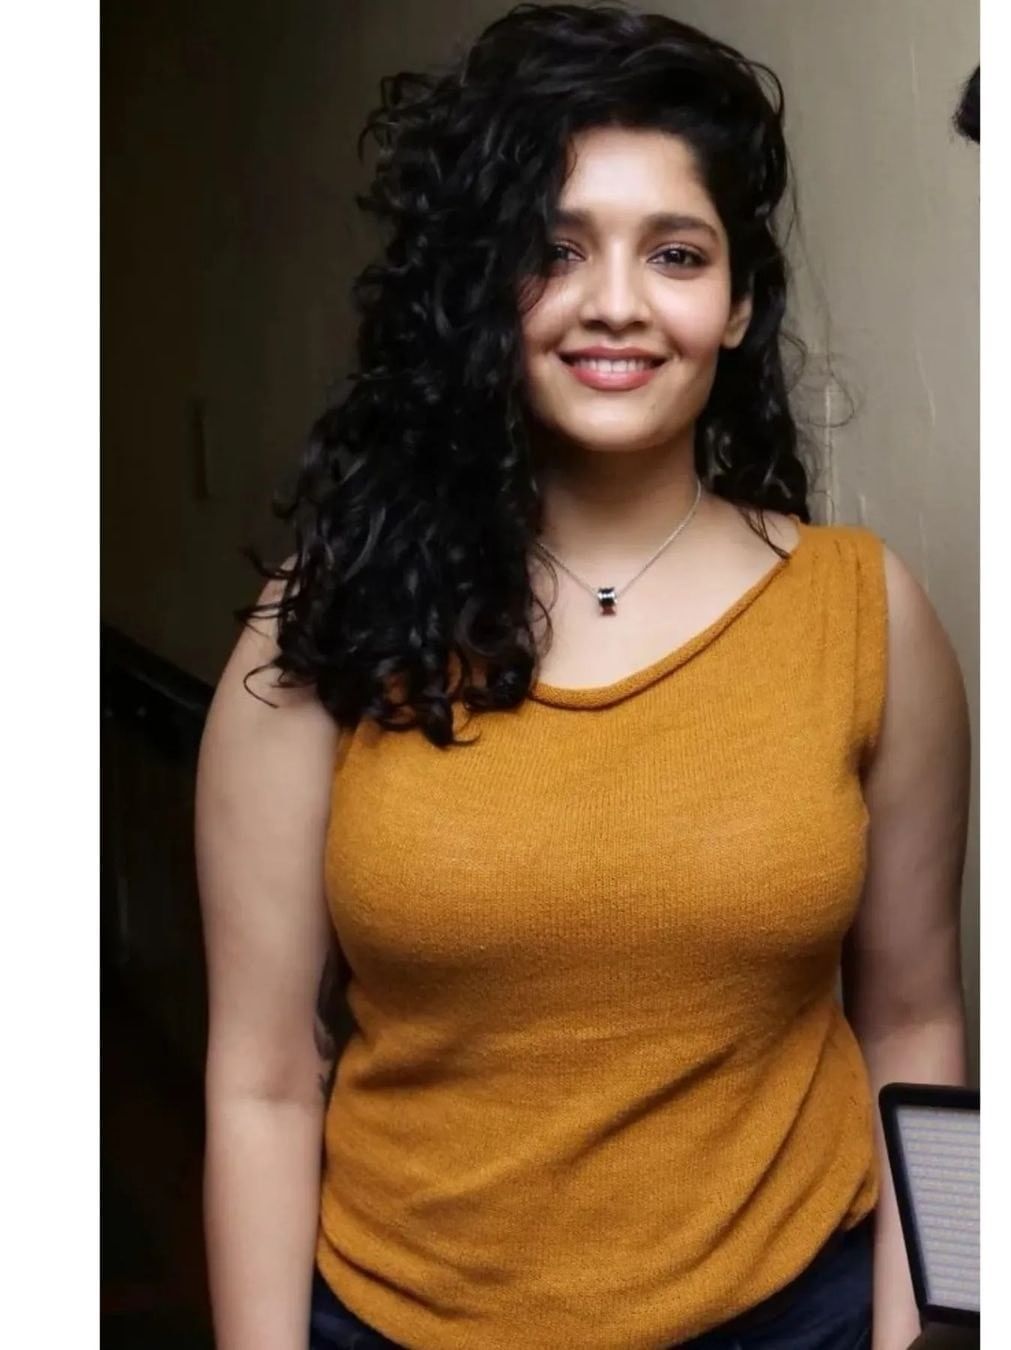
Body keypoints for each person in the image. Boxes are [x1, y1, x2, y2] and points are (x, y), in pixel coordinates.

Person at [195, 5, 970, 1349]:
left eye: (676, 253)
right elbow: (261, 1081)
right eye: (553, 252)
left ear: (738, 305)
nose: (616, 301)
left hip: (802, 1317)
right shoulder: (326, 627)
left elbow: (915, 1023)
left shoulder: (864, 611)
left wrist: (931, 1336)